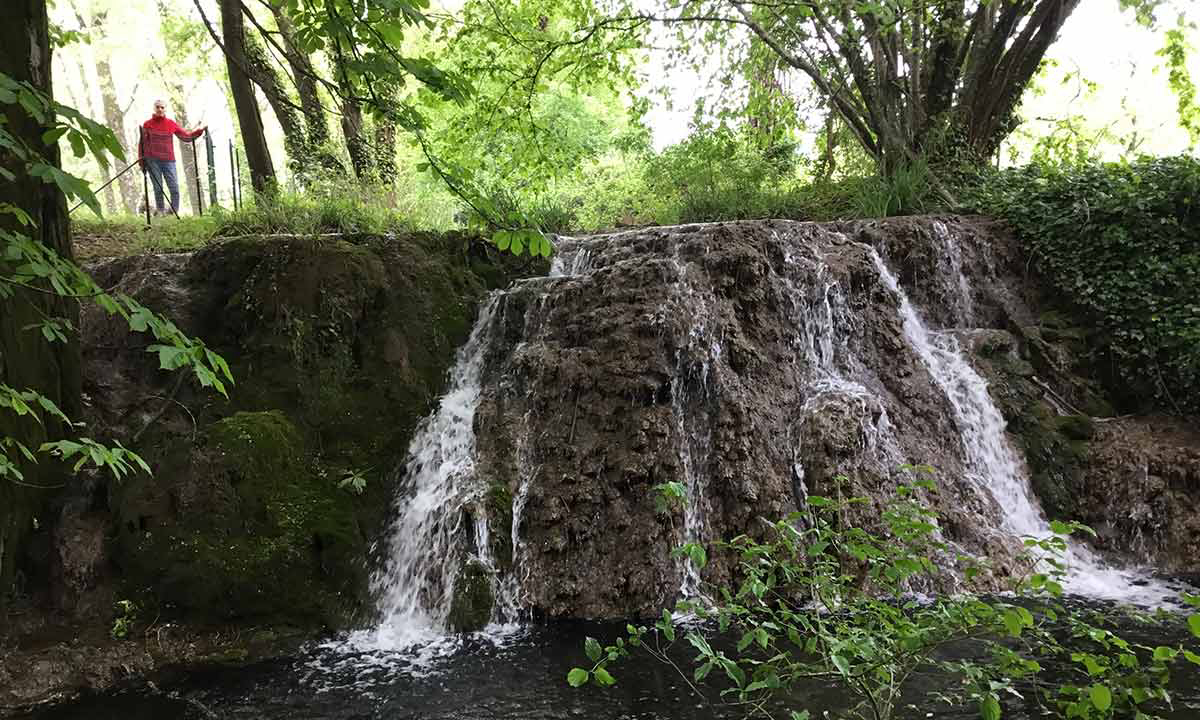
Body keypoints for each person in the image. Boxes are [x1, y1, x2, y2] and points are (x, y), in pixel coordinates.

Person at [139, 100, 206, 216]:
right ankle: (160, 212)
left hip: (168, 160)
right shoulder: (147, 124)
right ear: (154, 108)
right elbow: (142, 144)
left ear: (165, 109)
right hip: (152, 160)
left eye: (162, 107)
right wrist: (141, 161)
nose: (160, 109)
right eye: (157, 107)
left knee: (174, 187)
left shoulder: (171, 124)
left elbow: (186, 137)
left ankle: (173, 212)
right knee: (158, 187)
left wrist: (200, 131)